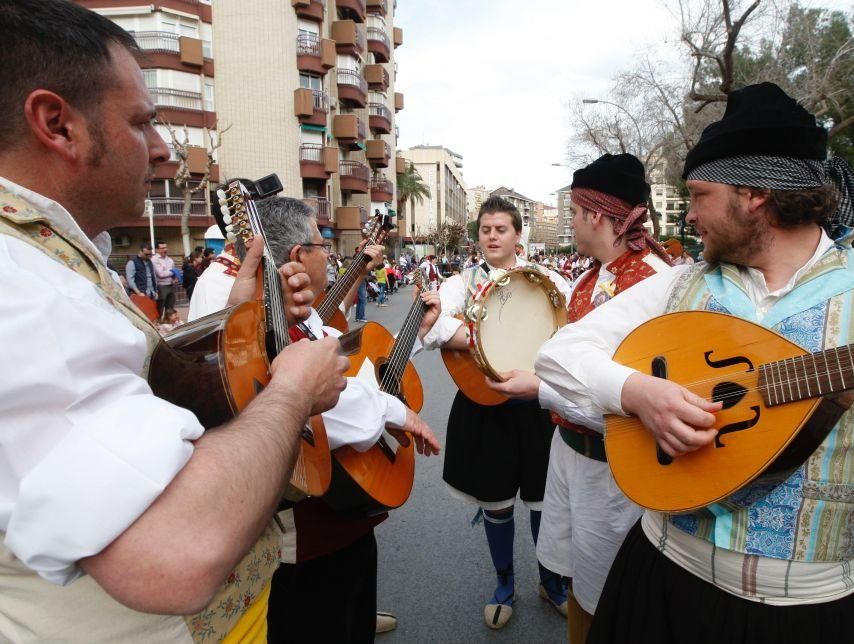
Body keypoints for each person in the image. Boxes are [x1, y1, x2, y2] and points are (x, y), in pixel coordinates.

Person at [535, 82, 854, 644]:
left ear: (754, 195)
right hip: (663, 581)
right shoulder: (678, 286)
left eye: (699, 195)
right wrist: (638, 393)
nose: (688, 217)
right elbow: (561, 355)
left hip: (815, 615)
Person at [0, 2, 349, 640]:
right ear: (58, 124)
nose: (163, 151)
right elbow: (169, 556)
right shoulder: (22, 287)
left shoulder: (48, 258)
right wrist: (296, 390)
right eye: (142, 123)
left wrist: (243, 322)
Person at [188, 196, 440, 643]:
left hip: (345, 524)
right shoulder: (255, 320)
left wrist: (410, 341)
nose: (330, 254)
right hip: (305, 542)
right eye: (323, 244)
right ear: (298, 256)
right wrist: (397, 411)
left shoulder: (305, 319)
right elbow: (339, 405)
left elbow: (357, 371)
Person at [486, 154, 674, 643]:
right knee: (583, 586)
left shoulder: (653, 279)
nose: (569, 221)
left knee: (615, 595)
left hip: (615, 467)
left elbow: (633, 392)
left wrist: (540, 387)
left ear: (595, 215)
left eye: (572, 212)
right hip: (571, 456)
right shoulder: (592, 277)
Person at [417, 196, 572, 629]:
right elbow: (432, 329)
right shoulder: (458, 283)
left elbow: (567, 326)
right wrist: (483, 339)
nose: (492, 237)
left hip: (535, 403)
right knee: (496, 500)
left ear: (518, 235)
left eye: (501, 229)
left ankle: (551, 579)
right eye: (485, 230)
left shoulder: (547, 280)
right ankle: (504, 581)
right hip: (483, 403)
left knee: (544, 499)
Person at [151, 240, 177, 313]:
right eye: (162, 248)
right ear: (157, 250)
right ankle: (160, 322)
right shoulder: (154, 259)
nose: (165, 250)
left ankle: (169, 323)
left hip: (171, 285)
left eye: (166, 247)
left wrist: (175, 277)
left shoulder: (170, 260)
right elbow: (161, 274)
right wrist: (172, 272)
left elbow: (173, 272)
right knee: (160, 307)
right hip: (161, 286)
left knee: (170, 308)